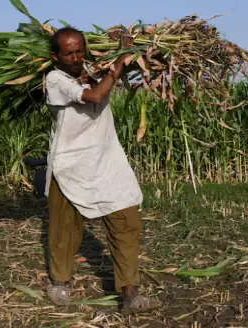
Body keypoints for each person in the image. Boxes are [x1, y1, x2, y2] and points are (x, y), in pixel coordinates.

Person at [43, 26, 162, 314]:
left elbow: (128, 76)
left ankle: (130, 293)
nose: (74, 57)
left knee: (126, 219)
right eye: (68, 52)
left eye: (79, 50)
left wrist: (127, 52)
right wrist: (116, 68)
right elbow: (94, 96)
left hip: (106, 159)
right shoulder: (55, 79)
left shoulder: (94, 68)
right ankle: (59, 281)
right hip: (69, 163)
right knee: (64, 228)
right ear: (55, 55)